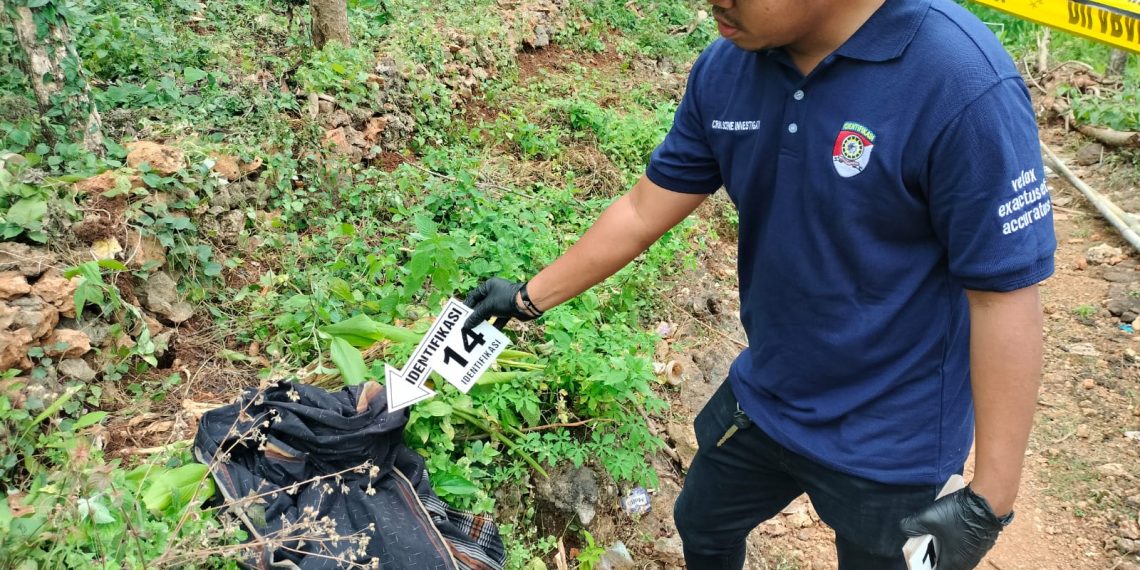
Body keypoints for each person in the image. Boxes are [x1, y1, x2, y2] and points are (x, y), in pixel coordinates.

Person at [464, 0, 1057, 567]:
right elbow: (644, 211)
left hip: (891, 439)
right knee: (702, 522)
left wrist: (989, 500)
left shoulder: (959, 82)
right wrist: (526, 297)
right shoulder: (730, 67)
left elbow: (1001, 294)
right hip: (771, 395)